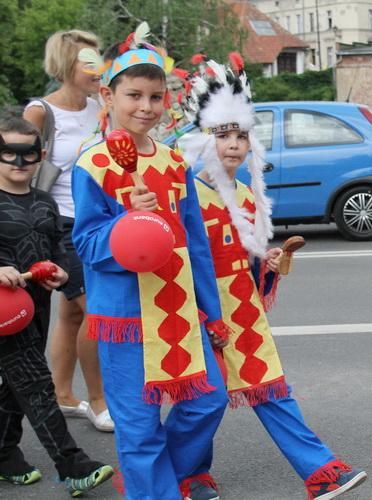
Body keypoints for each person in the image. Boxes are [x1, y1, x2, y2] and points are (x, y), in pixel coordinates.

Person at [182, 56, 367, 500]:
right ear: (204, 138)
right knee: (202, 403)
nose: (233, 145)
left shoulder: (248, 196)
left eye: (241, 135)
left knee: (271, 390)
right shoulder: (187, 194)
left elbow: (244, 261)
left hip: (244, 312)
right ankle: (185, 473)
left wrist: (265, 262)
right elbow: (182, 265)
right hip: (201, 313)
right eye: (222, 135)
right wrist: (204, 315)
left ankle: (320, 472)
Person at [71, 24, 229, 500]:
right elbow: (87, 244)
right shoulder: (92, 164)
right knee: (138, 426)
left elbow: (195, 246)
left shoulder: (175, 164)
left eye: (155, 97)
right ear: (108, 95)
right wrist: (127, 224)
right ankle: (154, 490)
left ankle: (169, 477)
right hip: (124, 316)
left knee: (208, 400)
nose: (146, 106)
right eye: (134, 95)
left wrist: (212, 311)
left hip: (179, 309)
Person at [0, 117, 114, 496]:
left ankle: (3, 454)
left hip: (36, 311)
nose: (19, 162)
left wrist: (62, 274)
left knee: (16, 384)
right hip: (3, 315)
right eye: (9, 153)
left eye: (28, 154)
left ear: (42, 155)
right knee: (35, 384)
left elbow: (58, 252)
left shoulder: (46, 203)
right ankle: (72, 464)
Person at [23, 29, 114, 433]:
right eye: (87, 63)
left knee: (73, 313)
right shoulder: (41, 112)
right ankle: (98, 400)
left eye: (99, 62)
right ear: (66, 66)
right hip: (58, 223)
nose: (97, 70)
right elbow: (15, 168)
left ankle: (61, 393)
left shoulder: (101, 108)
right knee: (95, 309)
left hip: (97, 220)